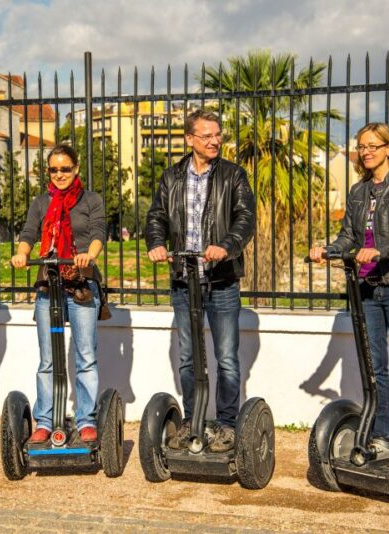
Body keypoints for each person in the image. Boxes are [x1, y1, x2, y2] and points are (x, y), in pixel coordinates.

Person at [145, 109, 255, 452]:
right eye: (207, 135)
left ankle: (226, 425)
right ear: (190, 139)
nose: (215, 141)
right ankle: (192, 420)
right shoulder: (172, 176)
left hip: (221, 280)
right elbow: (157, 216)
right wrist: (156, 242)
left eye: (218, 135)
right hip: (184, 279)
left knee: (226, 359)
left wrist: (226, 246)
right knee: (188, 358)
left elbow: (245, 219)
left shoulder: (233, 175)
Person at [309, 122, 389, 451]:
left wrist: (379, 250)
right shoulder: (359, 192)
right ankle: (382, 434)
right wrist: (327, 250)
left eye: (374, 145)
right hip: (368, 289)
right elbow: (348, 237)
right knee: (376, 367)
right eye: (362, 146)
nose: (366, 151)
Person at [11, 144, 106, 444]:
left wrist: (88, 256)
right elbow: (28, 233)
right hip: (48, 285)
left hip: (81, 286)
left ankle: (86, 419)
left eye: (65, 168)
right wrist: (21, 254)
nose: (60, 174)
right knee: (48, 360)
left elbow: (98, 233)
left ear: (76, 168)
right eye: (54, 169)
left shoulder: (90, 200)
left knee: (85, 356)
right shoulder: (41, 202)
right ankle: (45, 420)